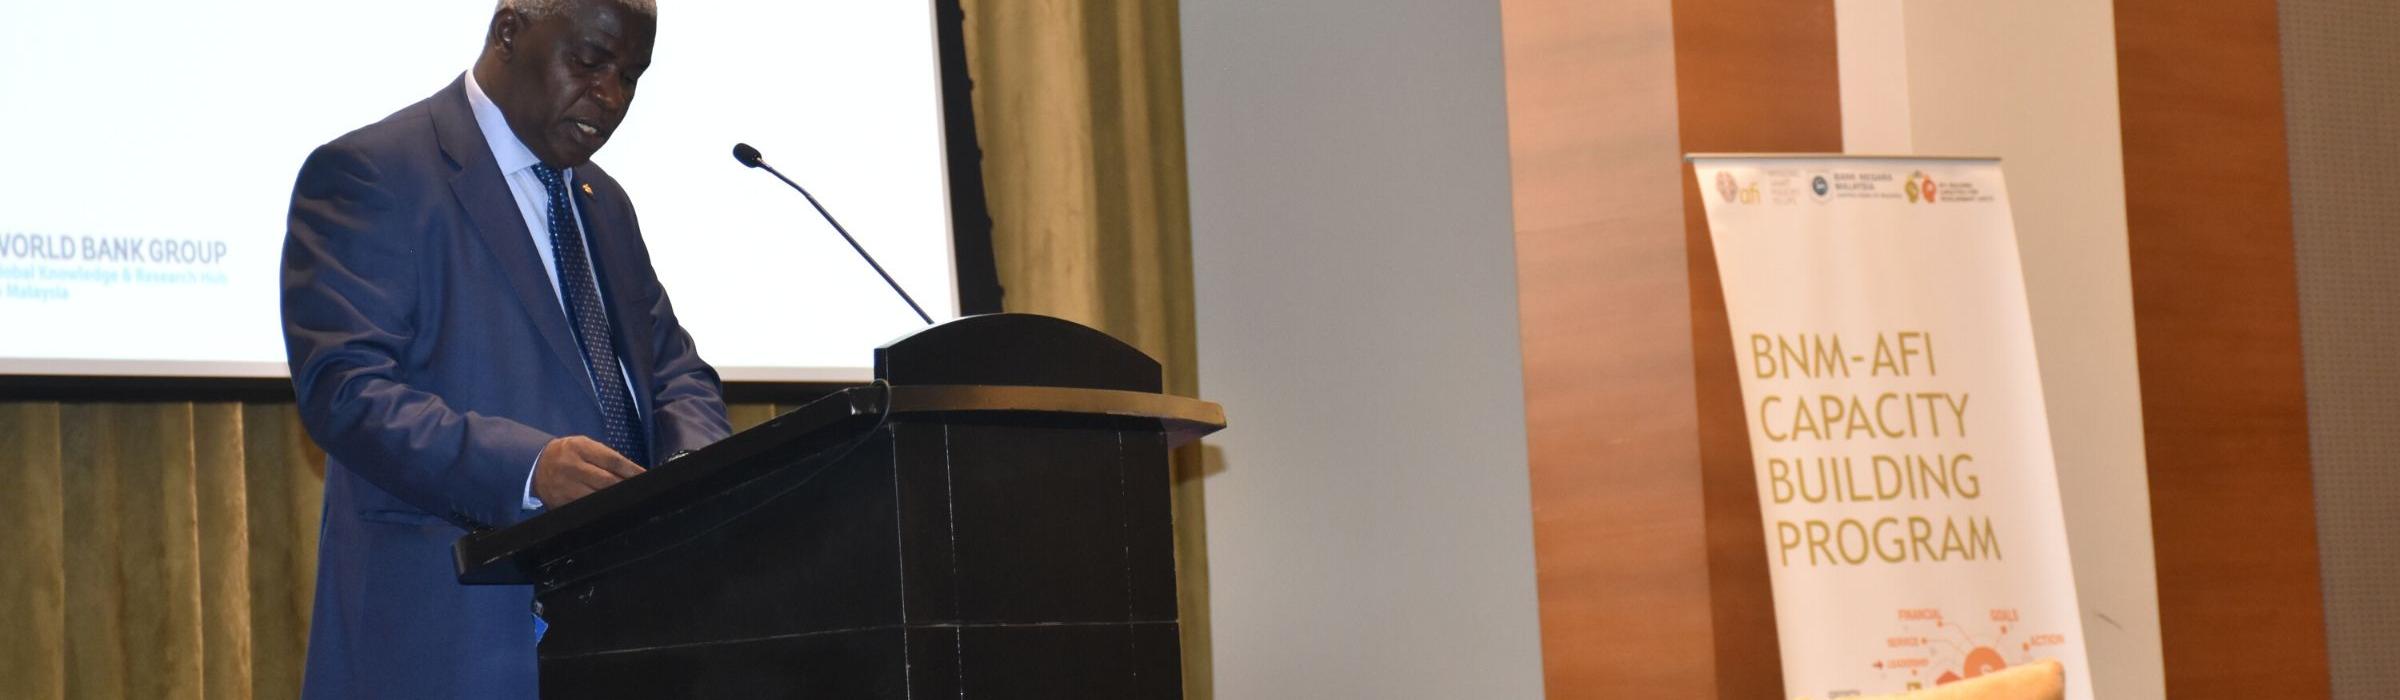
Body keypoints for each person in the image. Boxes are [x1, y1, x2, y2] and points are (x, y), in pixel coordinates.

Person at [279, 0, 729, 696]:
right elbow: (346, 391)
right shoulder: (374, 172)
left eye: (630, 76)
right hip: (449, 643)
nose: (611, 96)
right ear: (510, 32)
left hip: (621, 636)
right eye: (589, 62)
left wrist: (690, 468)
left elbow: (673, 370)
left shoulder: (603, 202)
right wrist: (529, 469)